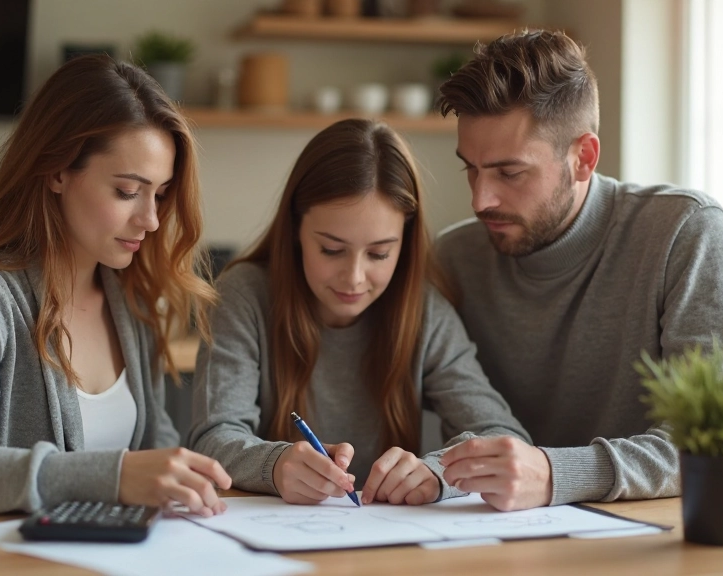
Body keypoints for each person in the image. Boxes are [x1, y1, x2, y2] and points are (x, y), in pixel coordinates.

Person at [433, 30, 723, 510]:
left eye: (509, 172)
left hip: (657, 541)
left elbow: (717, 440)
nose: (481, 200)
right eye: (471, 169)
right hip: (494, 538)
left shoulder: (685, 234)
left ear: (583, 158)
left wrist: (553, 474)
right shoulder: (454, 257)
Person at [0, 55, 231, 515]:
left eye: (159, 193)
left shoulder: (131, 301)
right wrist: (115, 476)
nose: (151, 219)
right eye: (127, 191)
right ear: (56, 171)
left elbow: (159, 451)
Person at [188, 119, 530, 506]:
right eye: (332, 250)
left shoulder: (421, 309)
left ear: (405, 244)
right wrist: (276, 463)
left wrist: (436, 472)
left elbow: (503, 436)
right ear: (296, 230)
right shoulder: (245, 294)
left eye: (379, 254)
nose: (353, 278)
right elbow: (213, 438)